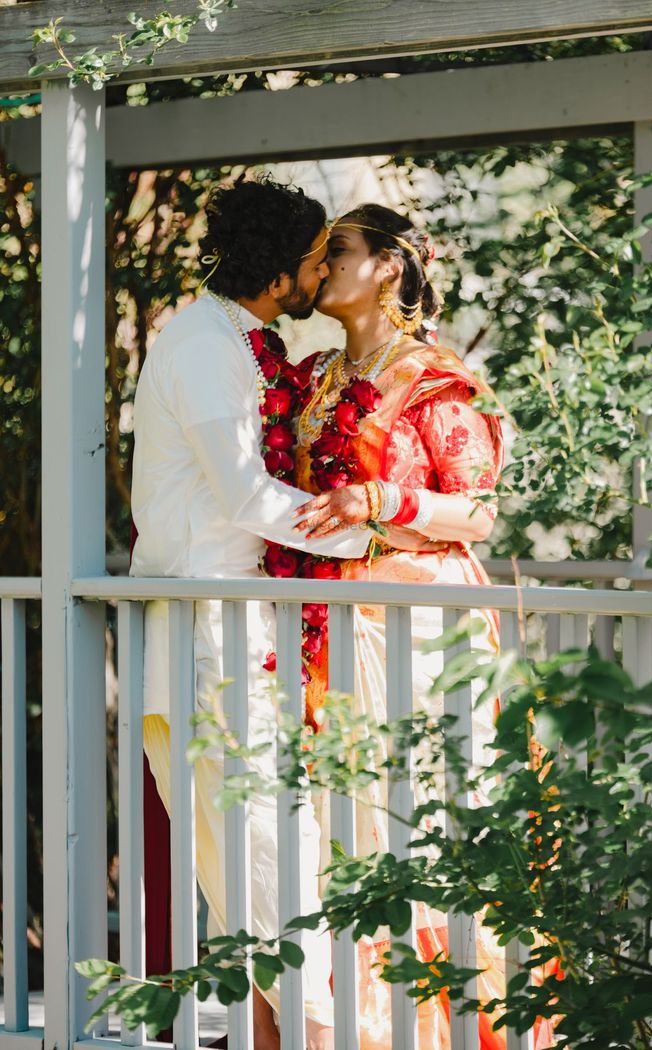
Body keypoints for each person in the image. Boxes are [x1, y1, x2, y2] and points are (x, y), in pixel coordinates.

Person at [277, 204, 552, 1049]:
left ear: (390, 268)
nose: (320, 270)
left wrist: (382, 500)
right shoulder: (318, 374)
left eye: (339, 254)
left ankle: (450, 1029)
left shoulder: (434, 377)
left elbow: (477, 513)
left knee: (419, 815)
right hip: (324, 620)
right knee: (335, 823)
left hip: (416, 621)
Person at [130, 177, 374, 1050]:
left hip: (245, 627)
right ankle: (312, 1030)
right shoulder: (202, 345)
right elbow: (242, 494)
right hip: (206, 632)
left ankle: (290, 1030)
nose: (318, 276)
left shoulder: (243, 337)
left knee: (269, 843)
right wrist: (369, 539)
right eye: (315, 260)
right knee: (254, 845)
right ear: (280, 271)